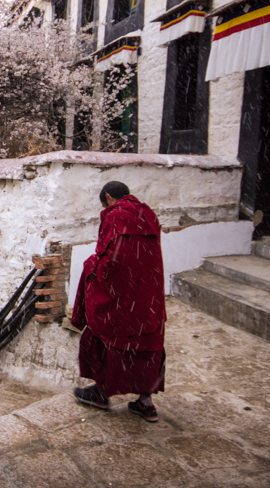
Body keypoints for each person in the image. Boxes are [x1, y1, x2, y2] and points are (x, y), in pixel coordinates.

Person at [69, 181, 166, 422]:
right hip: (147, 292)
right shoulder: (148, 213)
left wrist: (90, 266)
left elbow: (109, 259)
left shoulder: (116, 216)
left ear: (109, 197)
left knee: (107, 333)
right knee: (145, 341)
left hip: (122, 292)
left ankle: (101, 392)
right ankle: (146, 402)